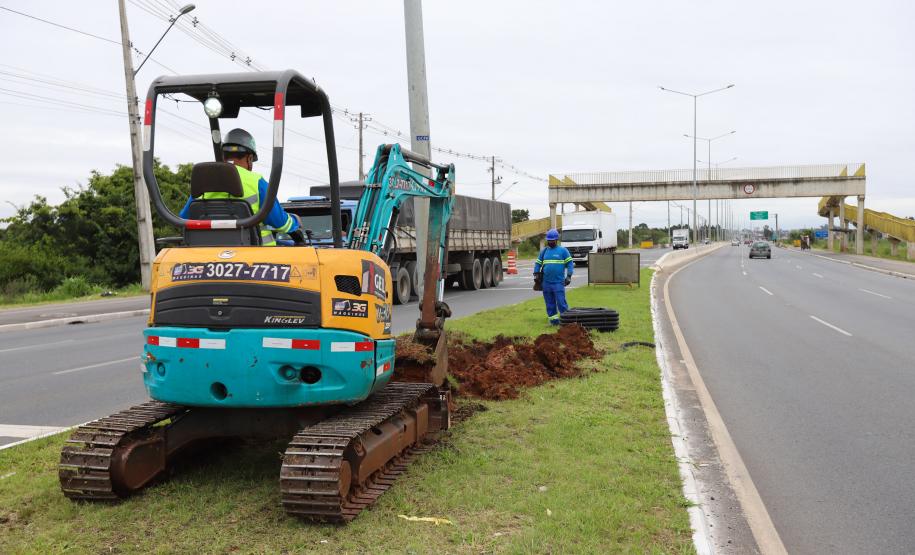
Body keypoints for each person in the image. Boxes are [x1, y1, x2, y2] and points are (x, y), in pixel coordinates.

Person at [180, 128, 299, 246]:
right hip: (256, 257)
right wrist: (295, 222)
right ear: (250, 158)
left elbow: (184, 219)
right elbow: (280, 222)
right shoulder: (257, 182)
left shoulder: (204, 181)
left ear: (224, 156)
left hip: (207, 254)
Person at [533, 228, 574, 325]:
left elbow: (570, 263)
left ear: (556, 240)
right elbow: (538, 263)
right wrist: (536, 274)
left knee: (561, 303)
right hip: (546, 283)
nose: (550, 242)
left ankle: (566, 322)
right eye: (549, 241)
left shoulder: (563, 251)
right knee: (549, 304)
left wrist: (569, 276)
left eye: (552, 241)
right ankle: (554, 322)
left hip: (558, 282)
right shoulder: (544, 251)